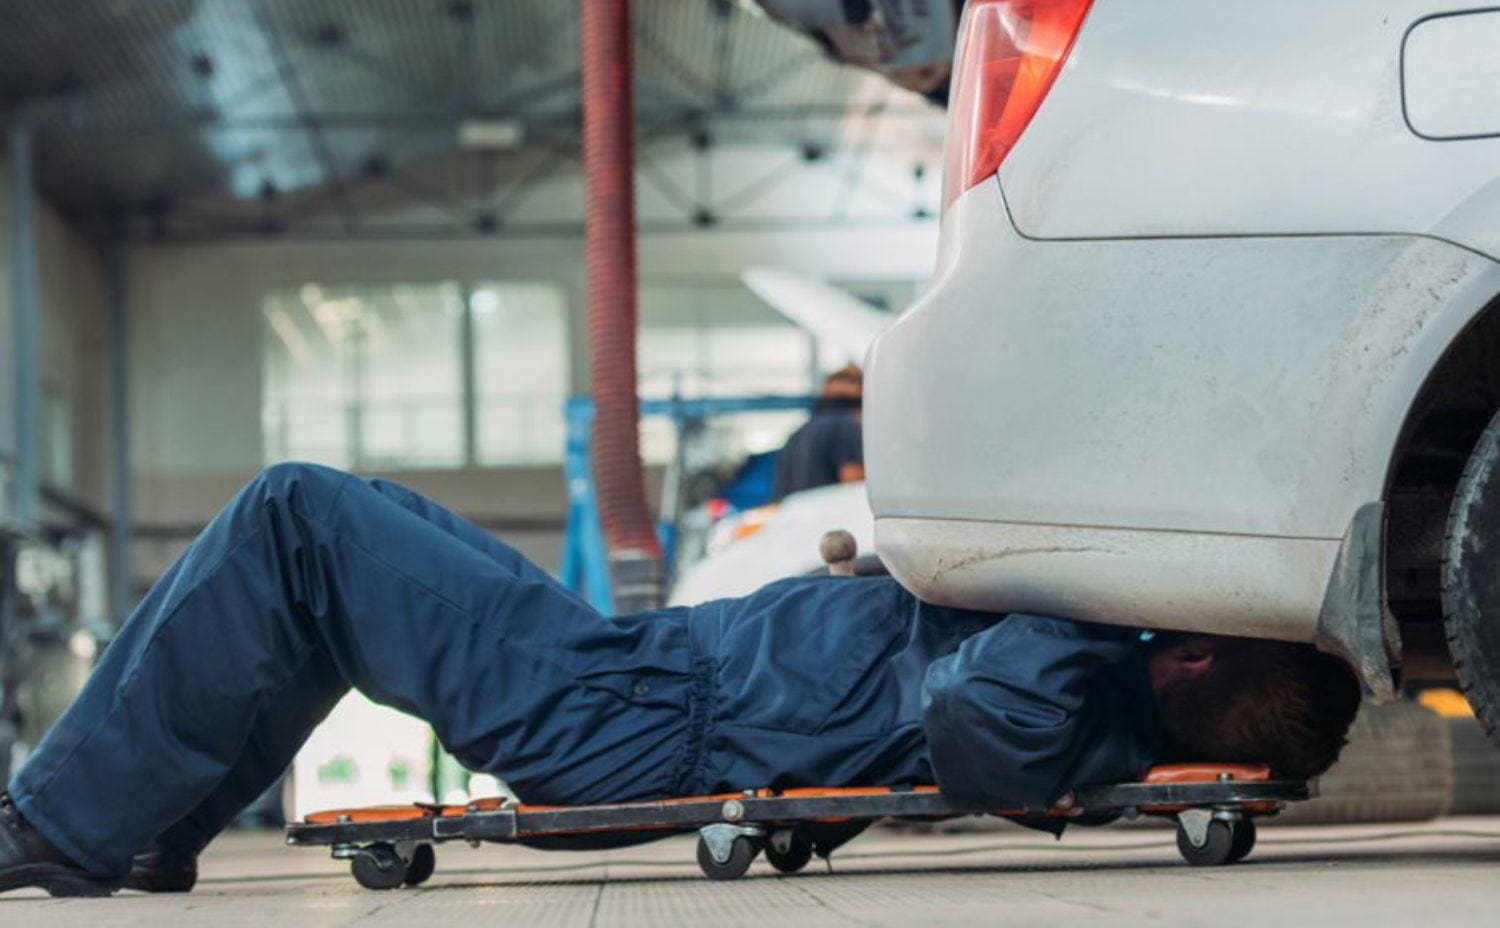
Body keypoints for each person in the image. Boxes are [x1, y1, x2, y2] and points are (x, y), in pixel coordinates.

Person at [0, 463, 1360, 898]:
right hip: (635, 676)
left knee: (295, 514)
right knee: (343, 534)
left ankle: (59, 824)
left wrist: (1069, 603)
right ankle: (148, 826)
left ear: (1190, 652)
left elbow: (971, 717)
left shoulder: (1067, 683)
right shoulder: (1091, 684)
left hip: (627, 714)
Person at [771, 364, 866, 501]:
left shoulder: (798, 433)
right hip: (832, 511)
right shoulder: (847, 426)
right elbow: (853, 480)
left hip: (797, 511)